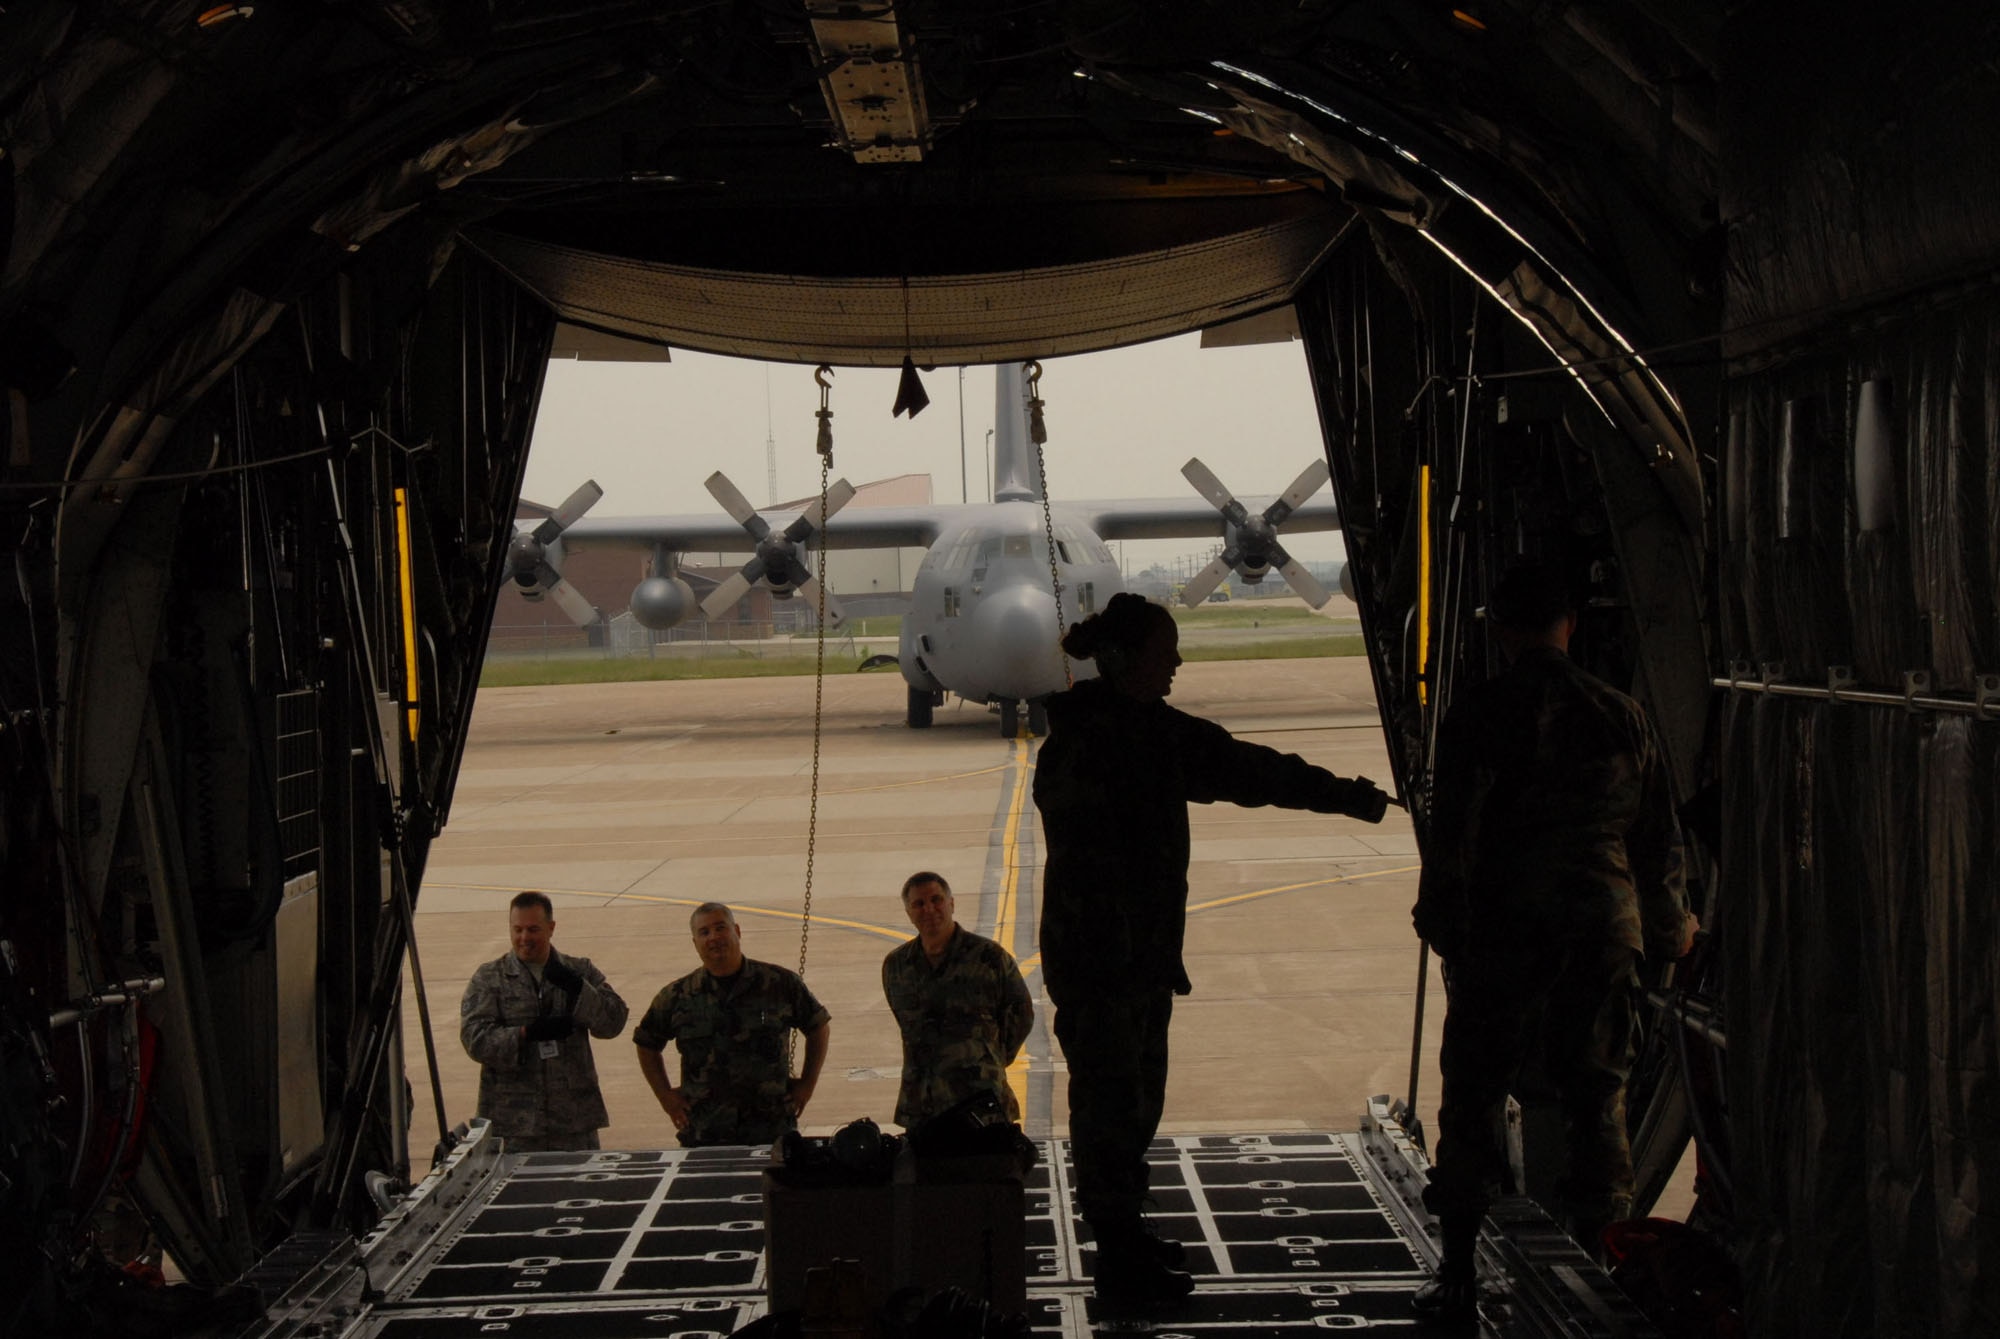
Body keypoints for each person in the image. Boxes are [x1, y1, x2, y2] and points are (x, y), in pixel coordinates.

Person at [1032, 592, 1391, 1309]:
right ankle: (1118, 1257)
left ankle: (1125, 1234)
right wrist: (1349, 797)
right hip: (1107, 964)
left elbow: (1250, 769)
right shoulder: (1122, 739)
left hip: (1129, 959)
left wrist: (1345, 795)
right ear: (1125, 659)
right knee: (1111, 1109)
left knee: (1131, 1106)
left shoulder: (1107, 733)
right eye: (1165, 653)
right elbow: (1249, 772)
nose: (1177, 664)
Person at [1410, 564, 1698, 1324]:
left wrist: (1443, 917)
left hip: (1506, 927)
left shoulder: (1480, 711)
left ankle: (1457, 1269)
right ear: (1568, 622)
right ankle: (1604, 1267)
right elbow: (1657, 839)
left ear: (1500, 628)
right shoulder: (1620, 712)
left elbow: (1453, 832)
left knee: (1471, 1101)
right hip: (1601, 928)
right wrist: (1670, 932)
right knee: (1597, 1101)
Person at [633, 903, 832, 1147]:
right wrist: (665, 1096)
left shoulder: (779, 984)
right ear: (694, 942)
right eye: (704, 932)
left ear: (737, 931)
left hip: (771, 1130)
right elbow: (646, 1043)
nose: (714, 937)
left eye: (720, 928)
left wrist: (807, 1084)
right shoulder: (678, 996)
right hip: (705, 1134)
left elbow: (818, 1026)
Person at [458, 891, 630, 1152]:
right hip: (513, 1126)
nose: (524, 938)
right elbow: (475, 1040)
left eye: (533, 929)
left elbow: (613, 1023)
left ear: (551, 928)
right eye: (517, 930)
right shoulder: (490, 978)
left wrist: (579, 991)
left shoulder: (578, 971)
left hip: (574, 1123)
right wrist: (525, 1034)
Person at [881, 871, 1035, 1130]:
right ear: (908, 912)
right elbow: (905, 1022)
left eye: (936, 899)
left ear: (951, 903)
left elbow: (1022, 1014)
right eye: (918, 903)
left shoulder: (989, 958)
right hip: (923, 1104)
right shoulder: (896, 966)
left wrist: (989, 1057)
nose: (929, 909)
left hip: (981, 1100)